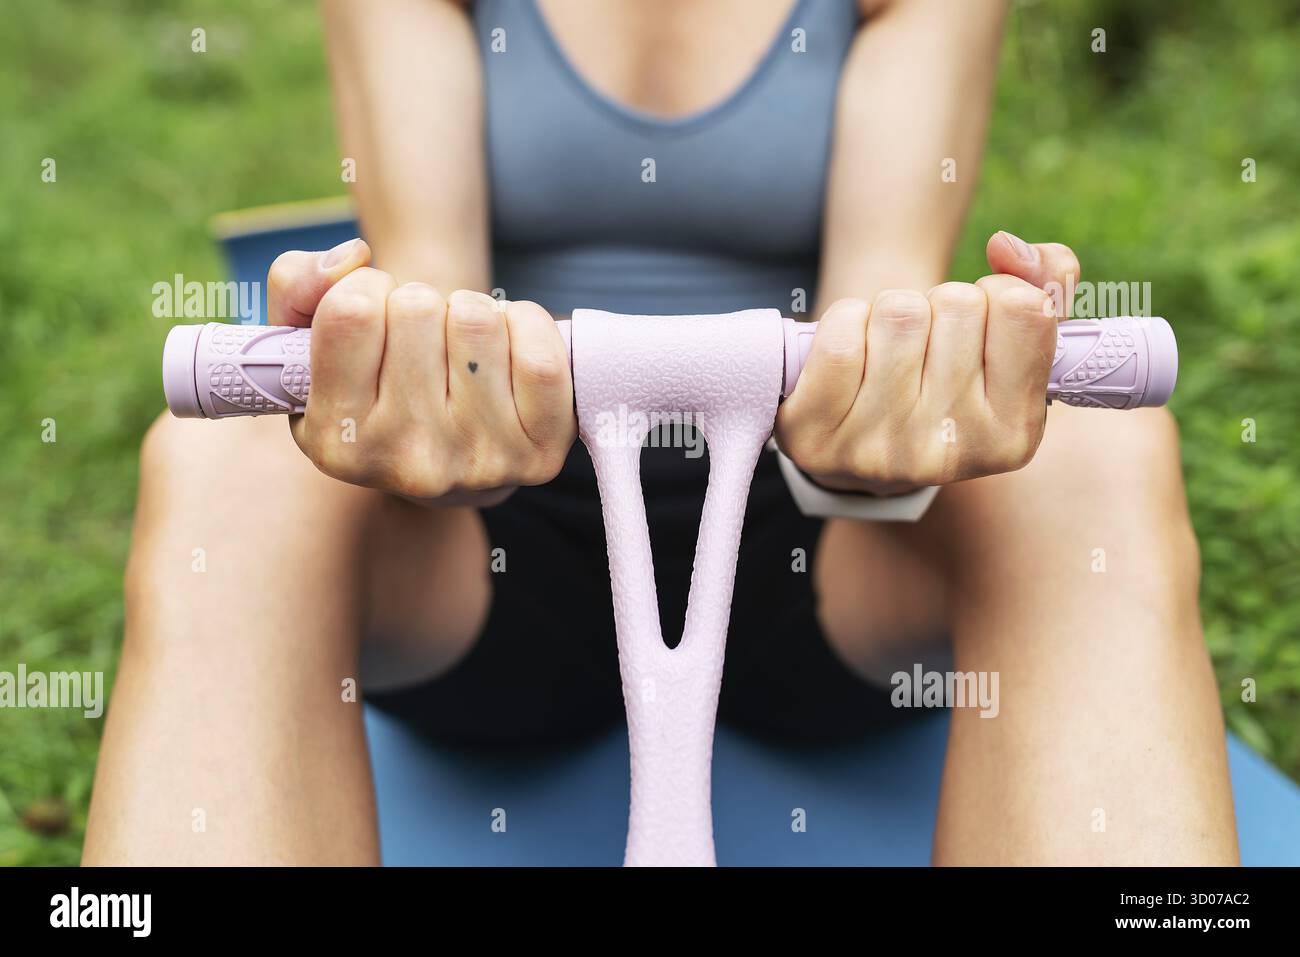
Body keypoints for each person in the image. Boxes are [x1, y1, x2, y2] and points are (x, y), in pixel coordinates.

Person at [84, 0, 1238, 865]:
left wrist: (922, 393)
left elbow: (868, 297)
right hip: (496, 537)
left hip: (809, 536)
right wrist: (398, 382)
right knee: (225, 462)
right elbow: (442, 305)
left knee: (1094, 451)